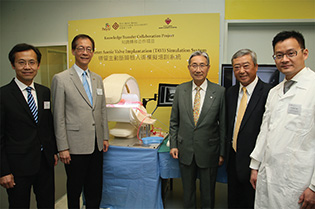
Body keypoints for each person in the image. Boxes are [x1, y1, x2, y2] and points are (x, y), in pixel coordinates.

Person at [249, 31, 315, 209]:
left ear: (305, 53)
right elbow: (265, 130)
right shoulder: (274, 92)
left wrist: (314, 187)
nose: (284, 59)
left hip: (299, 181)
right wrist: (255, 166)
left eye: (291, 53)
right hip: (268, 175)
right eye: (279, 55)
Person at [51, 34, 110, 209]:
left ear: (93, 52)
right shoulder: (61, 79)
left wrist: (105, 136)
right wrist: (62, 147)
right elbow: (58, 116)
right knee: (75, 187)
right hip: (74, 145)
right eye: (81, 48)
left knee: (95, 187)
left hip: (96, 144)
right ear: (73, 51)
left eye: (89, 49)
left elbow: (102, 110)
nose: (85, 52)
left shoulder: (97, 79)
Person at [0, 43, 58, 208]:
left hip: (44, 163)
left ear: (38, 65)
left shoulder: (44, 92)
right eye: (21, 62)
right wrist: (3, 171)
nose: (27, 67)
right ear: (13, 65)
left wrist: (52, 150)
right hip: (17, 166)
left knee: (47, 204)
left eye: (32, 62)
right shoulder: (3, 95)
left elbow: (47, 124)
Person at [169, 51, 226, 209]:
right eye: (194, 65)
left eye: (202, 65)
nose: (198, 69)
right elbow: (174, 121)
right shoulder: (181, 90)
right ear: (189, 68)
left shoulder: (220, 92)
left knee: (208, 193)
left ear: (208, 68)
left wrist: (221, 152)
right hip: (185, 149)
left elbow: (223, 126)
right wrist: (173, 145)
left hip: (209, 151)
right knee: (188, 192)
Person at [225, 49, 272, 208]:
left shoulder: (269, 92)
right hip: (233, 159)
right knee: (233, 201)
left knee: (252, 203)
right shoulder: (230, 93)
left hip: (256, 163)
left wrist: (257, 165)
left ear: (256, 66)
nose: (241, 71)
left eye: (246, 66)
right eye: (237, 67)